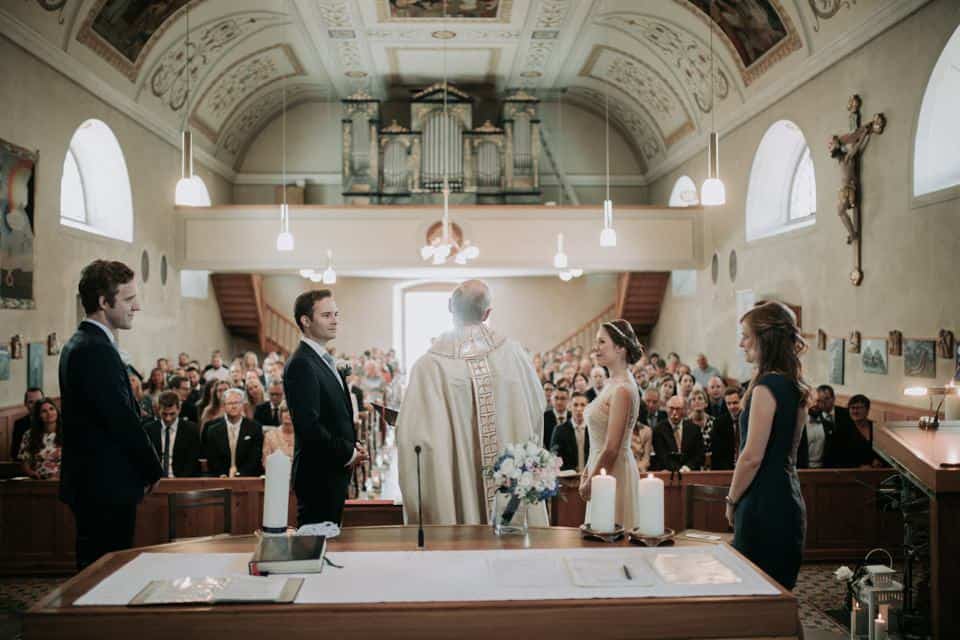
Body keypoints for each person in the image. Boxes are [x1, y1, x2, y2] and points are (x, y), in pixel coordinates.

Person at [398, 280, 547, 526]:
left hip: (457, 499)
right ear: (488, 313)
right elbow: (536, 408)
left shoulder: (429, 365)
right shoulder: (513, 354)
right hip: (510, 484)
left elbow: (413, 440)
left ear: (449, 307)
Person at [58, 260, 162, 570]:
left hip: (98, 481)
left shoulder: (85, 343)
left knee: (100, 570)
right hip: (104, 484)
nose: (137, 307)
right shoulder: (95, 349)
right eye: (129, 299)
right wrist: (152, 468)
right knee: (102, 573)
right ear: (104, 302)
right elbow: (120, 419)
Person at [726, 301, 809, 592]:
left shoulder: (765, 388)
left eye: (746, 336)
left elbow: (751, 457)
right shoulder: (795, 387)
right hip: (788, 498)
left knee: (755, 593)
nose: (741, 343)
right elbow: (791, 452)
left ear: (765, 338)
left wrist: (732, 499)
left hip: (763, 503)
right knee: (780, 596)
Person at [285, 289, 366, 526]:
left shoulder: (321, 359)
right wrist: (347, 452)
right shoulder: (302, 363)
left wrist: (353, 448)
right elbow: (309, 426)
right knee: (316, 547)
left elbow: (335, 416)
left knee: (331, 543)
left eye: (337, 314)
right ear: (306, 321)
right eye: (327, 315)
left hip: (332, 470)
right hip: (317, 476)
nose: (335, 320)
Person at [578, 320, 643, 529]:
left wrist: (593, 480)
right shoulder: (611, 383)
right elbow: (599, 439)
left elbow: (612, 447)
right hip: (600, 467)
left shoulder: (623, 389)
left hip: (613, 472)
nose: (595, 348)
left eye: (601, 342)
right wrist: (587, 471)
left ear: (620, 348)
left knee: (611, 532)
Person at [202, 388, 264, 477]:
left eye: (237, 403)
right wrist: (223, 474)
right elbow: (213, 459)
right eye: (230, 403)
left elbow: (254, 458)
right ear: (224, 406)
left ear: (242, 405)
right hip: (220, 478)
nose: (234, 406)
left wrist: (239, 474)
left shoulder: (255, 428)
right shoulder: (213, 430)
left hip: (247, 477)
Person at [144, 391, 202, 478]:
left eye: (172, 414)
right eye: (164, 414)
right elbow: (146, 460)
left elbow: (192, 462)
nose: (168, 418)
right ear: (158, 409)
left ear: (179, 409)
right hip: (155, 481)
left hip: (183, 481)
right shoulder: (149, 429)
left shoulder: (191, 430)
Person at [651, 395, 705, 471]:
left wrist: (688, 467)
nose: (674, 412)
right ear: (666, 409)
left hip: (691, 472)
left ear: (684, 410)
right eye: (671, 408)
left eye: (678, 409)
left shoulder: (694, 429)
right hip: (669, 473)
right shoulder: (658, 430)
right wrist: (678, 470)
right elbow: (662, 455)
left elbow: (699, 455)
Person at [19, 398, 62, 480]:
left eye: (51, 409)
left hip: (63, 480)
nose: (49, 413)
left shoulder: (68, 433)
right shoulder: (29, 435)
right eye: (44, 411)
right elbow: (25, 463)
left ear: (56, 410)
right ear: (38, 416)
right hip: (39, 480)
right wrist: (32, 473)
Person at [551, 391, 589, 472]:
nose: (579, 409)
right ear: (569, 407)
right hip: (568, 477)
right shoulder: (560, 430)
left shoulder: (591, 429)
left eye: (583, 405)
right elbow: (555, 457)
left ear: (588, 407)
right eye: (575, 405)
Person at [711, 386, 743, 471]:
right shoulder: (719, 423)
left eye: (735, 403)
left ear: (742, 401)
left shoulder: (749, 420)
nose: (732, 407)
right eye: (729, 403)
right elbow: (717, 454)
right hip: (726, 469)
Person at [846, 394, 884, 467]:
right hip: (852, 472)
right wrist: (858, 466)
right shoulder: (844, 429)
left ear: (867, 410)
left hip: (877, 471)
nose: (855, 411)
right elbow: (840, 457)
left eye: (859, 408)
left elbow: (885, 452)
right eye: (852, 408)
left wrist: (879, 461)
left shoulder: (876, 428)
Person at [10, 387, 43, 466]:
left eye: (38, 401)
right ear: (26, 404)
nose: (36, 405)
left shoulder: (52, 420)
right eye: (31, 402)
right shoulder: (19, 424)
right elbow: (14, 453)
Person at [688, 386, 716, 469]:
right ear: (690, 405)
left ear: (706, 403)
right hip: (691, 465)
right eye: (693, 399)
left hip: (712, 464)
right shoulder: (685, 423)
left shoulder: (714, 422)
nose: (697, 401)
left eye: (700, 398)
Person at [262, 403, 296, 467]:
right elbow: (265, 461)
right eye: (285, 411)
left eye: (291, 411)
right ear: (280, 414)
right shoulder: (270, 435)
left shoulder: (302, 435)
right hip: (276, 472)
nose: (288, 414)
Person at [543, 386, 570, 453]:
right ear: (551, 399)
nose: (559, 402)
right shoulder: (544, 418)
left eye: (563, 398)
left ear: (568, 400)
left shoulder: (573, 417)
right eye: (556, 398)